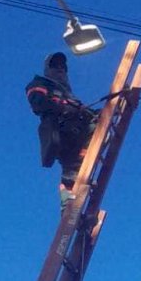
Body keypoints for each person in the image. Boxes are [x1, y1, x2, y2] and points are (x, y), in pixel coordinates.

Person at [26, 52, 99, 212]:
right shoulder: (40, 84)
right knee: (71, 167)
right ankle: (68, 204)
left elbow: (85, 114)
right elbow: (39, 103)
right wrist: (64, 108)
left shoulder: (67, 94)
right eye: (55, 66)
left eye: (63, 67)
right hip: (62, 131)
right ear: (47, 69)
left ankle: (73, 195)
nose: (61, 69)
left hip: (76, 131)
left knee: (95, 128)